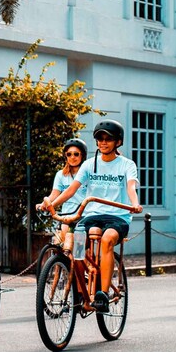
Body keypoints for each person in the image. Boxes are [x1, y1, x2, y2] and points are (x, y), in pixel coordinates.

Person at [39, 120, 142, 313]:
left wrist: (134, 203)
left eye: (108, 139)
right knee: (76, 250)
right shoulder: (89, 164)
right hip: (91, 214)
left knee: (107, 239)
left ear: (118, 142)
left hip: (117, 216)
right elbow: (71, 190)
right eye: (100, 139)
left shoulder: (127, 165)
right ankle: (82, 294)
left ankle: (102, 294)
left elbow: (130, 187)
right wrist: (51, 205)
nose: (103, 143)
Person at [40, 138, 88, 253]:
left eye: (76, 154)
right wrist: (44, 204)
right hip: (66, 216)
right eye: (69, 154)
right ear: (65, 156)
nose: (72, 157)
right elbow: (54, 194)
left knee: (79, 251)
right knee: (63, 247)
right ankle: (63, 268)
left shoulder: (87, 173)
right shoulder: (60, 175)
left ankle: (83, 268)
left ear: (82, 156)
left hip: (84, 215)